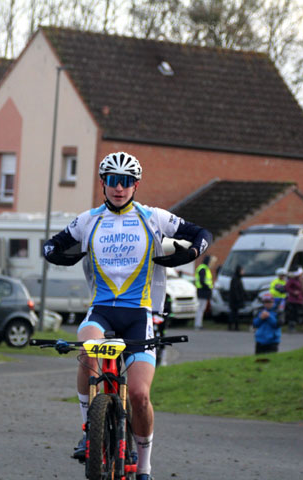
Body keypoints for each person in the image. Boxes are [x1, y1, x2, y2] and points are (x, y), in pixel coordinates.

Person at [43, 152, 211, 480]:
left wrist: (191, 253)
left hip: (138, 314)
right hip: (102, 311)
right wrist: (61, 257)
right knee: (86, 352)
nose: (119, 188)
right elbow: (50, 246)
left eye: (126, 181)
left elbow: (202, 233)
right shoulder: (88, 220)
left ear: (135, 185)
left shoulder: (153, 218)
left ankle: (145, 466)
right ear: (103, 183)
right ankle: (88, 428)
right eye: (112, 180)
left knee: (139, 394)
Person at [193, 255, 216, 330]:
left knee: (201, 309)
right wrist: (208, 288)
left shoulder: (204, 268)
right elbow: (202, 281)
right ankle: (198, 325)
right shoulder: (203, 269)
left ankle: (199, 324)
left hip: (203, 291)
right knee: (200, 309)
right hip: (203, 291)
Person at [285, 267, 303, 332]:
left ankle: (295, 325)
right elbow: (287, 287)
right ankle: (291, 327)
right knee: (292, 313)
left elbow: (302, 289)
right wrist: (293, 292)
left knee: (297, 313)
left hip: (299, 299)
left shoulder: (300, 280)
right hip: (293, 299)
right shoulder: (292, 280)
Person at [228, 265, 245, 331]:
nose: (243, 272)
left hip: (236, 300)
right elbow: (235, 290)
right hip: (234, 300)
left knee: (235, 313)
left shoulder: (238, 278)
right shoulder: (235, 278)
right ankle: (233, 327)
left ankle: (235, 327)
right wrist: (238, 298)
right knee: (233, 314)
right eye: (242, 270)